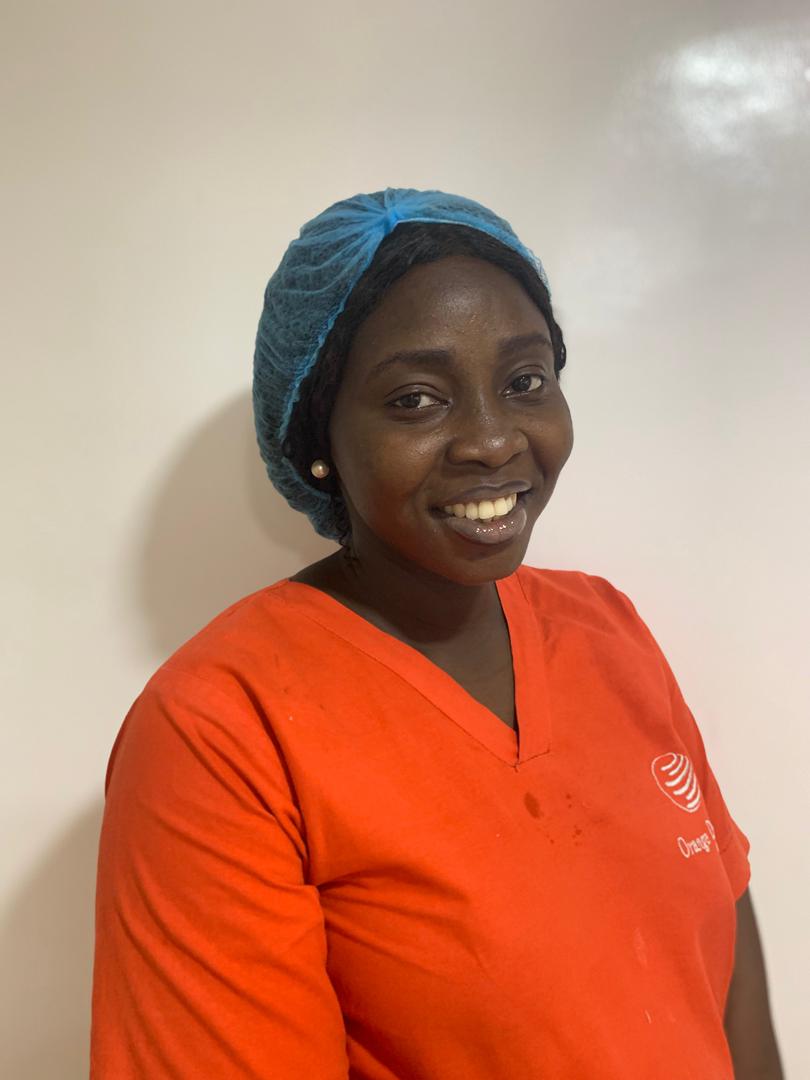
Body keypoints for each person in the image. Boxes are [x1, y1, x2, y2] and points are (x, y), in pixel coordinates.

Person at [91, 188, 783, 1078]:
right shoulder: (221, 730)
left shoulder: (607, 629)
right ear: (317, 437)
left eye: (525, 382)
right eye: (416, 399)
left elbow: (724, 937)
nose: (492, 441)